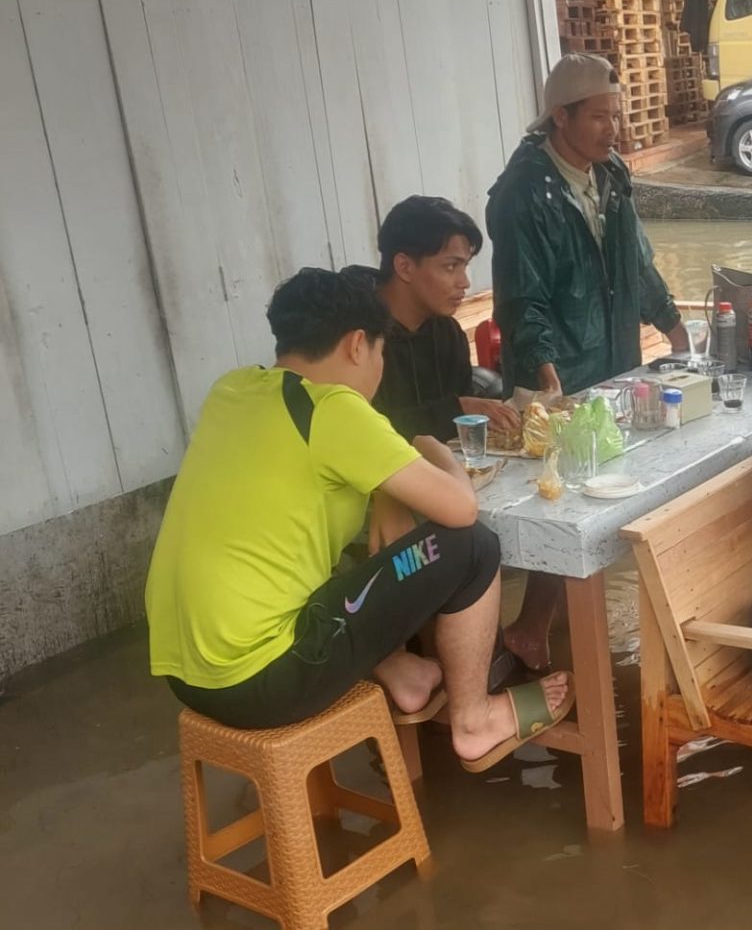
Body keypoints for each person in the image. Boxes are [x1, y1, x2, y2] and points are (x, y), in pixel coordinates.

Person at [145, 268, 569, 772]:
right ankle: (475, 720)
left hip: (185, 674)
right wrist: (430, 446)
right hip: (262, 680)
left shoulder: (233, 389)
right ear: (356, 345)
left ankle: (404, 673)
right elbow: (461, 508)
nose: (379, 368)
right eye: (380, 352)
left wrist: (385, 491)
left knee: (338, 562)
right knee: (472, 546)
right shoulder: (332, 408)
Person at [486, 52, 688, 397]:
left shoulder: (611, 171)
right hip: (563, 382)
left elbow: (637, 264)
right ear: (561, 116)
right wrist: (549, 383)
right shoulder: (524, 193)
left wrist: (678, 334)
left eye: (615, 116)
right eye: (598, 117)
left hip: (619, 372)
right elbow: (521, 302)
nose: (612, 129)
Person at [368, 195, 519, 441]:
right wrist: (458, 410)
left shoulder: (448, 334)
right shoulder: (357, 340)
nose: (465, 282)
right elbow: (362, 435)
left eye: (464, 267)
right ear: (404, 267)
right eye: (451, 267)